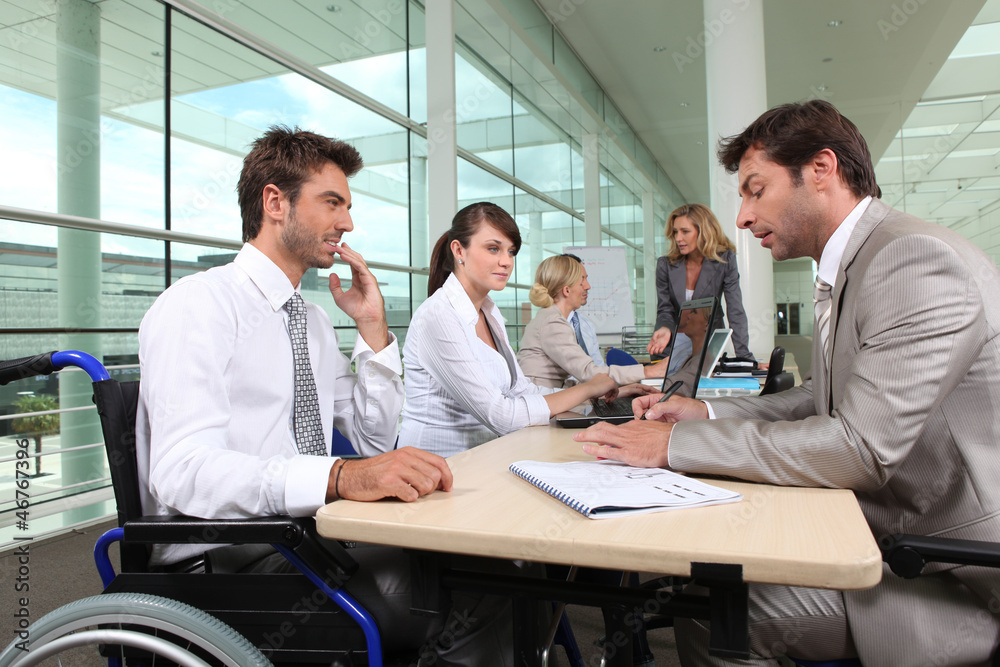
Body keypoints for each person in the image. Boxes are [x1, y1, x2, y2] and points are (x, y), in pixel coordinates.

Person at [575, 100, 1000, 666]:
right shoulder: (863, 261)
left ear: (821, 170)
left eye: (755, 190)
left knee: (714, 604)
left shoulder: (912, 260)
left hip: (944, 569)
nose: (744, 218)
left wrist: (674, 445)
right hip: (886, 531)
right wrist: (709, 415)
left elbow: (859, 447)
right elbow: (824, 400)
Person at [136, 126, 512, 665]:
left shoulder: (309, 319)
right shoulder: (198, 306)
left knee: (492, 556)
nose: (348, 222)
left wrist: (373, 330)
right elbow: (182, 471)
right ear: (274, 203)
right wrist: (338, 477)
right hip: (234, 557)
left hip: (309, 534)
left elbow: (371, 435)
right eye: (332, 202)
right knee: (487, 581)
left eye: (348, 206)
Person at [400, 202, 618, 458]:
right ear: (459, 249)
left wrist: (596, 392)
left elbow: (520, 390)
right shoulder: (439, 316)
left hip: (489, 456)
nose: (506, 262)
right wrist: (587, 389)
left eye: (511, 252)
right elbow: (500, 415)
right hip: (440, 467)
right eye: (493, 249)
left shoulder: (489, 312)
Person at [517, 254, 668, 388]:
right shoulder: (552, 322)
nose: (587, 286)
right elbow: (588, 372)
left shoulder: (552, 318)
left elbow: (574, 378)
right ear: (567, 290)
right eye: (582, 281)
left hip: (548, 397)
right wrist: (649, 371)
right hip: (541, 405)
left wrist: (623, 390)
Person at [646, 203, 751, 361]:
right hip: (672, 344)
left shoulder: (725, 260)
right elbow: (665, 309)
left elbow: (735, 310)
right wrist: (665, 328)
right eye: (675, 232)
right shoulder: (665, 265)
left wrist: (744, 358)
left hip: (707, 345)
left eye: (685, 231)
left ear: (703, 232)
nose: (678, 238)